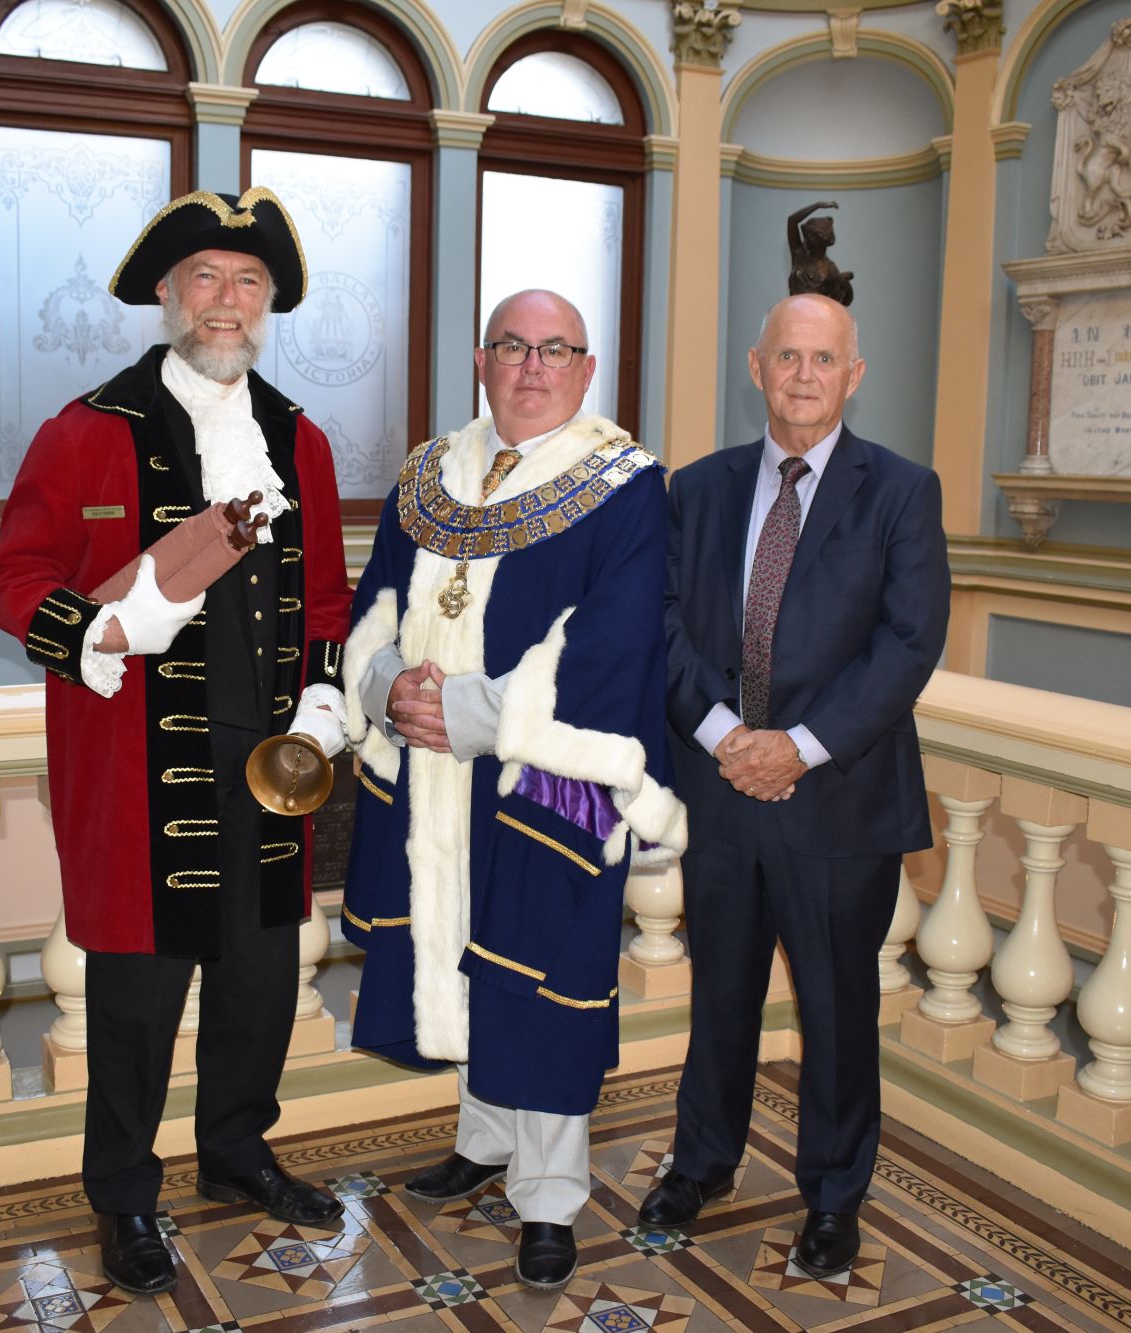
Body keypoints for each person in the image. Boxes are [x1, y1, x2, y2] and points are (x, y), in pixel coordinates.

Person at [0, 189, 354, 1297]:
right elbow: (7, 576)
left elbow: (323, 599)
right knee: (136, 998)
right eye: (203, 279)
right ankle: (124, 1195)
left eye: (246, 283)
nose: (224, 301)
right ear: (165, 295)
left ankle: (235, 1151)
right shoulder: (86, 429)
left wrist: (323, 701)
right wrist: (84, 625)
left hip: (268, 766)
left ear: (267, 302)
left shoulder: (300, 438)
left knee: (259, 982)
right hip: (143, 771)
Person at [340, 290, 686, 1290]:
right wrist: (383, 683)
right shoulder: (427, 475)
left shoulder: (624, 485)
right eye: (510, 346)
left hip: (551, 775)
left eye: (554, 349)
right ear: (481, 360)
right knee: (454, 950)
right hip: (432, 767)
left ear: (585, 369)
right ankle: (482, 1135)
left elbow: (612, 642)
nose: (531, 366)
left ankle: (547, 1195)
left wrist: (477, 713)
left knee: (541, 970)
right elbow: (378, 606)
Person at [647, 293, 949, 1278]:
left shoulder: (901, 491)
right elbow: (662, 629)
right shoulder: (695, 490)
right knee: (720, 991)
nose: (804, 374)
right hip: (723, 788)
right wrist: (730, 735)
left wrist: (800, 746)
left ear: (851, 376)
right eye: (788, 357)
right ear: (756, 366)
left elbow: (908, 645)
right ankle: (700, 1163)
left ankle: (831, 1195)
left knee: (834, 1007)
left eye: (823, 359)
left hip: (839, 799)